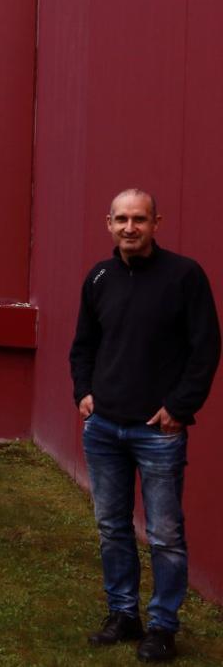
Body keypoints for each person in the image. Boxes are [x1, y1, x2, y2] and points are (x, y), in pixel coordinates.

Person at [70, 188, 220, 663]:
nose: (130, 228)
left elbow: (206, 348)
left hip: (158, 432)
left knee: (164, 534)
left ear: (157, 222)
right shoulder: (98, 277)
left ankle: (162, 626)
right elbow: (83, 345)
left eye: (139, 219)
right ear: (108, 224)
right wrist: (83, 393)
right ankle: (123, 614)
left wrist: (179, 406)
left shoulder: (184, 276)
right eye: (121, 220)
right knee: (112, 526)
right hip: (104, 428)